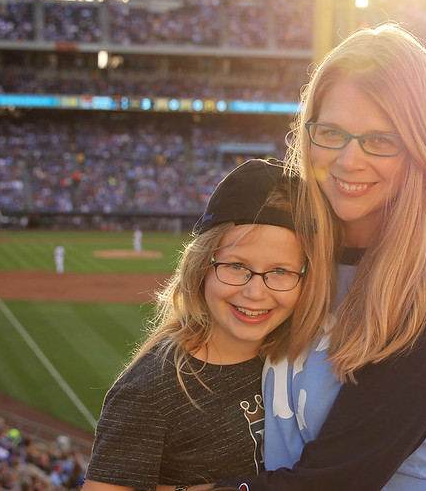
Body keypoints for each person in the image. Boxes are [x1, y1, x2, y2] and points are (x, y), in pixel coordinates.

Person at [209, 23, 426, 490]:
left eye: (380, 140)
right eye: (332, 132)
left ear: (421, 150)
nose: (348, 160)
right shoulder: (284, 259)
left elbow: (340, 480)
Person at [82, 158, 319, 490]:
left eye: (280, 271)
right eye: (236, 266)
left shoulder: (300, 356)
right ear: (201, 267)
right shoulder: (150, 391)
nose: (255, 292)